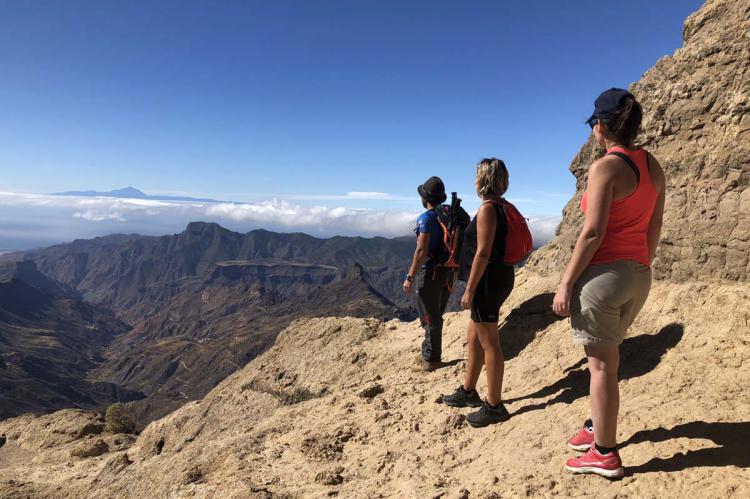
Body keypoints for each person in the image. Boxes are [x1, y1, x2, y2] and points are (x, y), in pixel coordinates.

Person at [552, 88, 665, 478]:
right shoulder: (652, 165)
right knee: (607, 361)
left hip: (602, 278)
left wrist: (567, 282)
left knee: (600, 366)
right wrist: (641, 265)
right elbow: (654, 225)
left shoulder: (605, 168)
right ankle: (596, 425)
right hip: (637, 274)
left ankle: (604, 452)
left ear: (600, 126)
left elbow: (592, 233)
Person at [442, 158, 516, 427]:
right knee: (474, 336)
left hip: (487, 281)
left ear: (483, 179)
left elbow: (483, 252)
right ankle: (468, 391)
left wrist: (469, 289)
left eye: (476, 176)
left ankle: (495, 405)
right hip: (499, 276)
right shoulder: (503, 207)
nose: (474, 180)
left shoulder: (488, 210)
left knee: (489, 342)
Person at [404, 176, 451, 371]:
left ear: (426, 198)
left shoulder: (426, 218)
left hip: (430, 273)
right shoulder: (450, 214)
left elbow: (421, 251)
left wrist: (410, 277)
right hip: (449, 271)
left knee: (429, 315)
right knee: (436, 312)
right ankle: (430, 351)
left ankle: (431, 359)